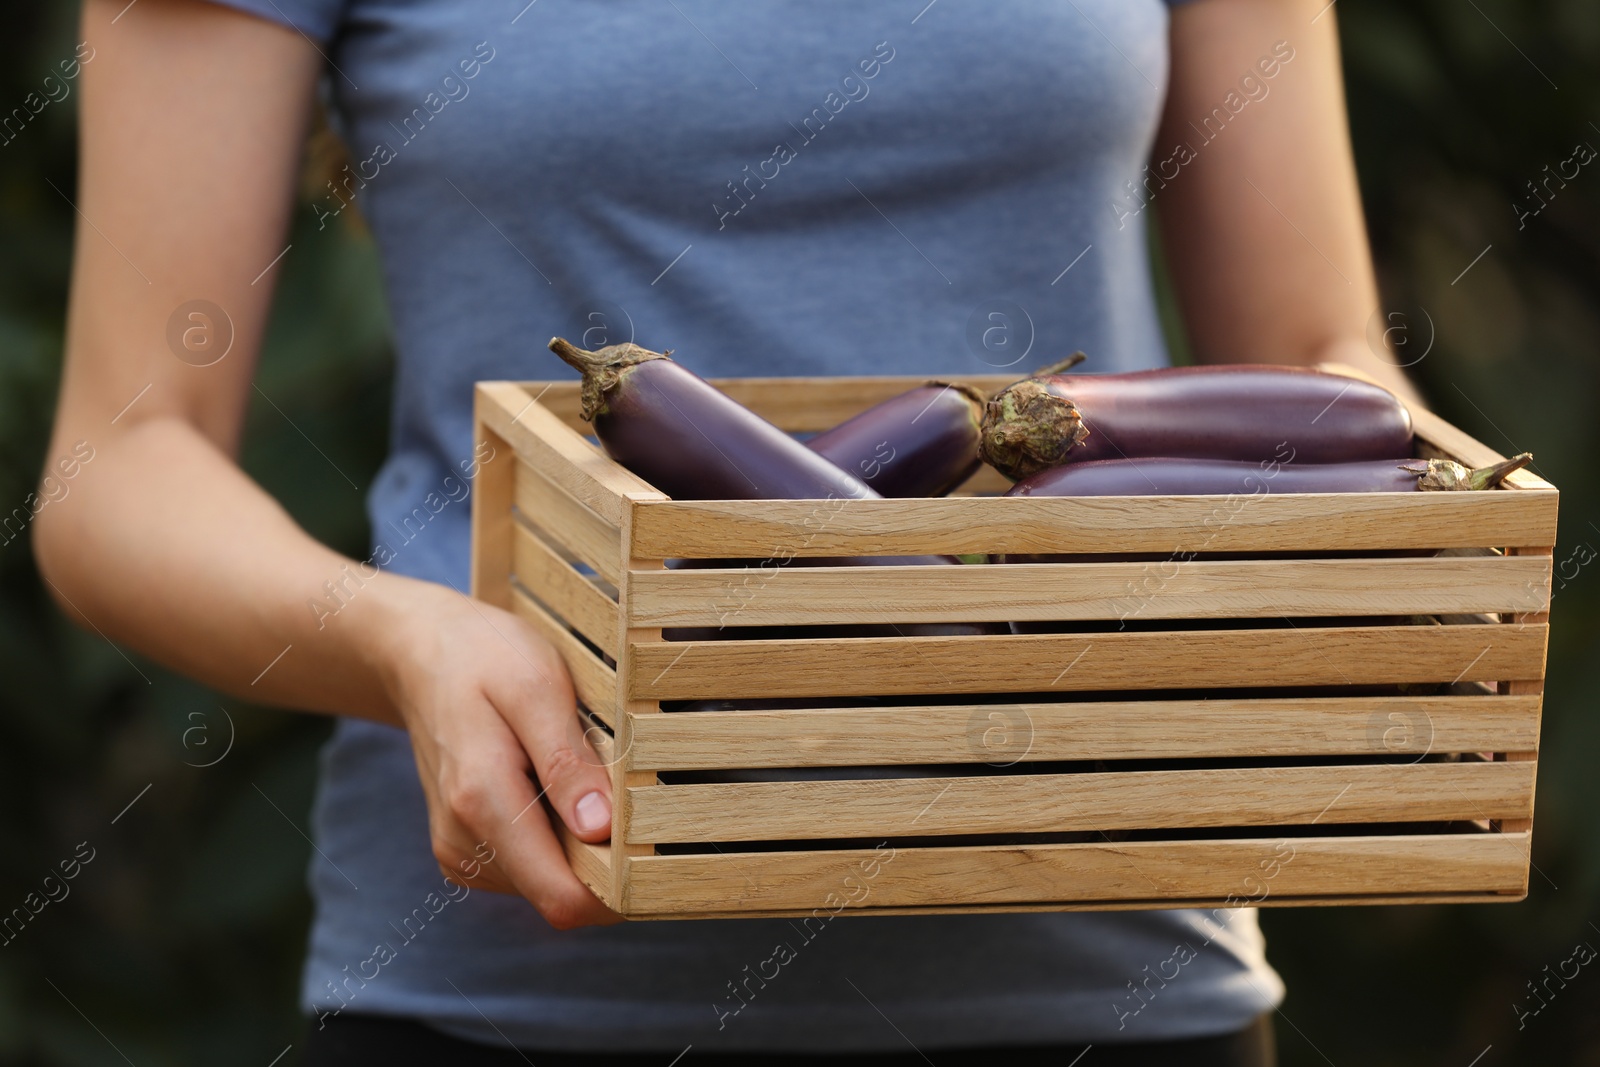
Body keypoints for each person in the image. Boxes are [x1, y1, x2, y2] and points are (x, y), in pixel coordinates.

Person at [38, 0, 1418, 1062]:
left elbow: (1311, 361)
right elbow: (122, 465)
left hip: (1120, 973)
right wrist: (409, 643)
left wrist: (1414, 579)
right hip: (507, 992)